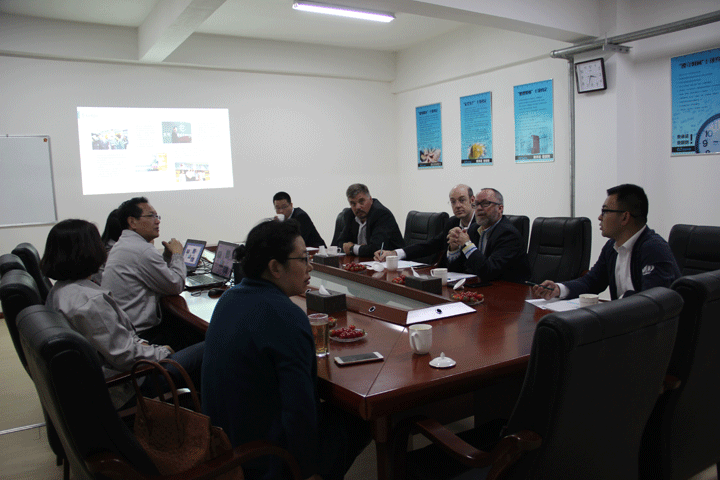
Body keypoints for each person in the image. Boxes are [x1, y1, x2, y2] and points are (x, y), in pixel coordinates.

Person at [202, 219, 370, 480]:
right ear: (275, 267)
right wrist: (306, 472)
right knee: (360, 416)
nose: (310, 266)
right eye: (303, 258)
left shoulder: (228, 298)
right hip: (267, 461)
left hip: (225, 453)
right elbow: (299, 411)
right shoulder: (286, 317)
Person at [41, 219, 204, 409]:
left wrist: (142, 344)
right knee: (211, 344)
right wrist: (163, 351)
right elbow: (126, 357)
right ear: (89, 250)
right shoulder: (89, 302)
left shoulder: (59, 292)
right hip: (131, 385)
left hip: (105, 378)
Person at [532, 183, 681, 300]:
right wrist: (559, 289)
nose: (599, 217)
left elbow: (653, 299)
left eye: (605, 211)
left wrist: (614, 306)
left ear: (624, 217)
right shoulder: (612, 247)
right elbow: (592, 282)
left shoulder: (654, 248)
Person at [101, 196, 192, 350]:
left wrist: (167, 257)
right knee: (204, 334)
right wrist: (177, 254)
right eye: (151, 216)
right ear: (132, 222)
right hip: (143, 337)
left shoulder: (124, 244)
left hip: (126, 332)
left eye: (157, 216)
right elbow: (176, 285)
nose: (157, 221)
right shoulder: (141, 250)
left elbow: (157, 276)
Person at [374, 184, 475, 266]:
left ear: (472, 200)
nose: (457, 205)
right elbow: (430, 246)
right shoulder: (452, 223)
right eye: (453, 202)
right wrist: (395, 253)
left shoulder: (480, 224)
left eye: (462, 200)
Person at [446, 188, 531, 282]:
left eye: (485, 203)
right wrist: (454, 249)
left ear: (500, 208)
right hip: (479, 285)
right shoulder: (474, 229)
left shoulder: (509, 234)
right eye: (476, 204)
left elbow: (489, 272)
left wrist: (467, 245)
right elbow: (457, 271)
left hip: (507, 288)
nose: (479, 208)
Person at [334, 183, 404, 257]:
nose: (358, 207)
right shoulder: (350, 215)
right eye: (353, 204)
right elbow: (340, 243)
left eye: (361, 201)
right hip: (364, 260)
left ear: (370, 199)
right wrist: (360, 248)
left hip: (392, 261)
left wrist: (353, 248)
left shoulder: (381, 214)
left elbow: (377, 249)